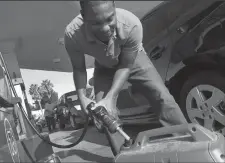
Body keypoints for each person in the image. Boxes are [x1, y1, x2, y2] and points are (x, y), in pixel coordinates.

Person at [64, 1, 188, 155]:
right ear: (83, 16)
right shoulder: (72, 34)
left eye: (110, 20)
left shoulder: (132, 24)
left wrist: (111, 96)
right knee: (105, 115)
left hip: (132, 61)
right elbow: (79, 68)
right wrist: (82, 98)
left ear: (114, 9)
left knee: (162, 97)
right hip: (103, 66)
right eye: (96, 23)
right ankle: (125, 156)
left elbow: (125, 66)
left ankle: (188, 145)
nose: (104, 29)